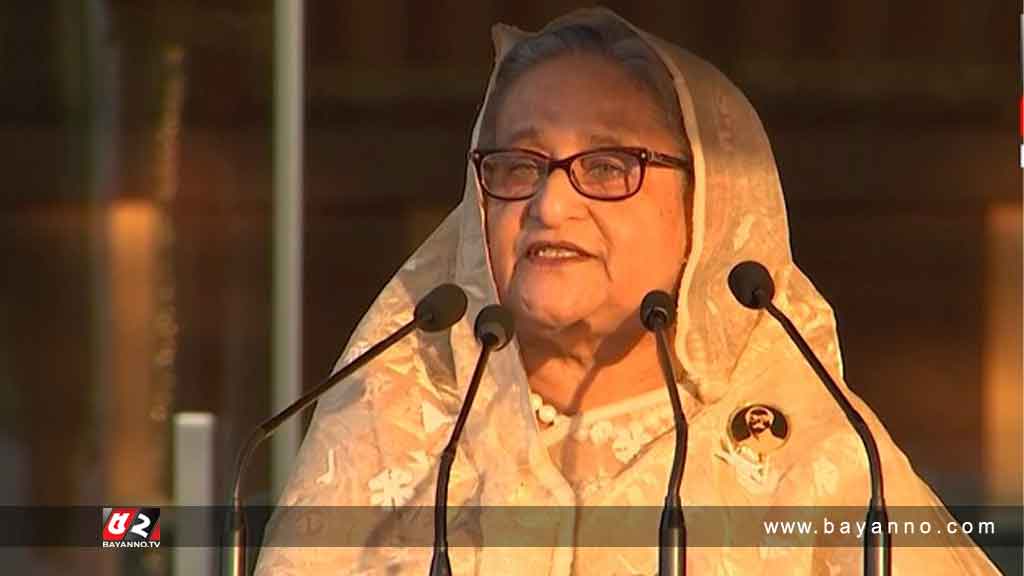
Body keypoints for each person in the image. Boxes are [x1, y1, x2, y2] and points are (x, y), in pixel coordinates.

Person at [254, 8, 998, 575]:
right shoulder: (400, 428)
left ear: (706, 210)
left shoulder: (812, 462)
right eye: (519, 165)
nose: (550, 205)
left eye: (607, 166)